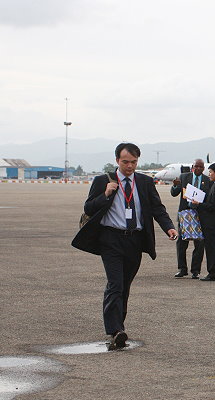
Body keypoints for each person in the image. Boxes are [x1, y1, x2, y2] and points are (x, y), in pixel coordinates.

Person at [72, 143, 177, 349]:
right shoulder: (103, 181)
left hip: (135, 240)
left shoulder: (145, 182)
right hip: (110, 239)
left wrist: (169, 227)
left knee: (125, 286)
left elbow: (157, 208)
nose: (130, 166)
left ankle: (119, 326)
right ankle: (115, 330)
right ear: (117, 161)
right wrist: (105, 195)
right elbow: (89, 207)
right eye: (125, 162)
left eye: (134, 162)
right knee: (116, 284)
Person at [171, 159, 212, 279]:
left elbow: (209, 198)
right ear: (192, 167)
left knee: (199, 244)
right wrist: (175, 185)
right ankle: (182, 269)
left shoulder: (207, 180)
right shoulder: (184, 177)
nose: (198, 168)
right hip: (185, 214)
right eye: (196, 166)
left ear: (203, 168)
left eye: (200, 167)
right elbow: (174, 193)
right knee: (181, 243)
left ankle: (195, 270)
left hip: (199, 215)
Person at [191, 162, 215, 281]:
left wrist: (199, 204)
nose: (209, 174)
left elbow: (214, 206)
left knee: (212, 249)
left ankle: (214, 273)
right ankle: (214, 272)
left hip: (212, 223)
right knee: (213, 248)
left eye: (211, 172)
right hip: (212, 222)